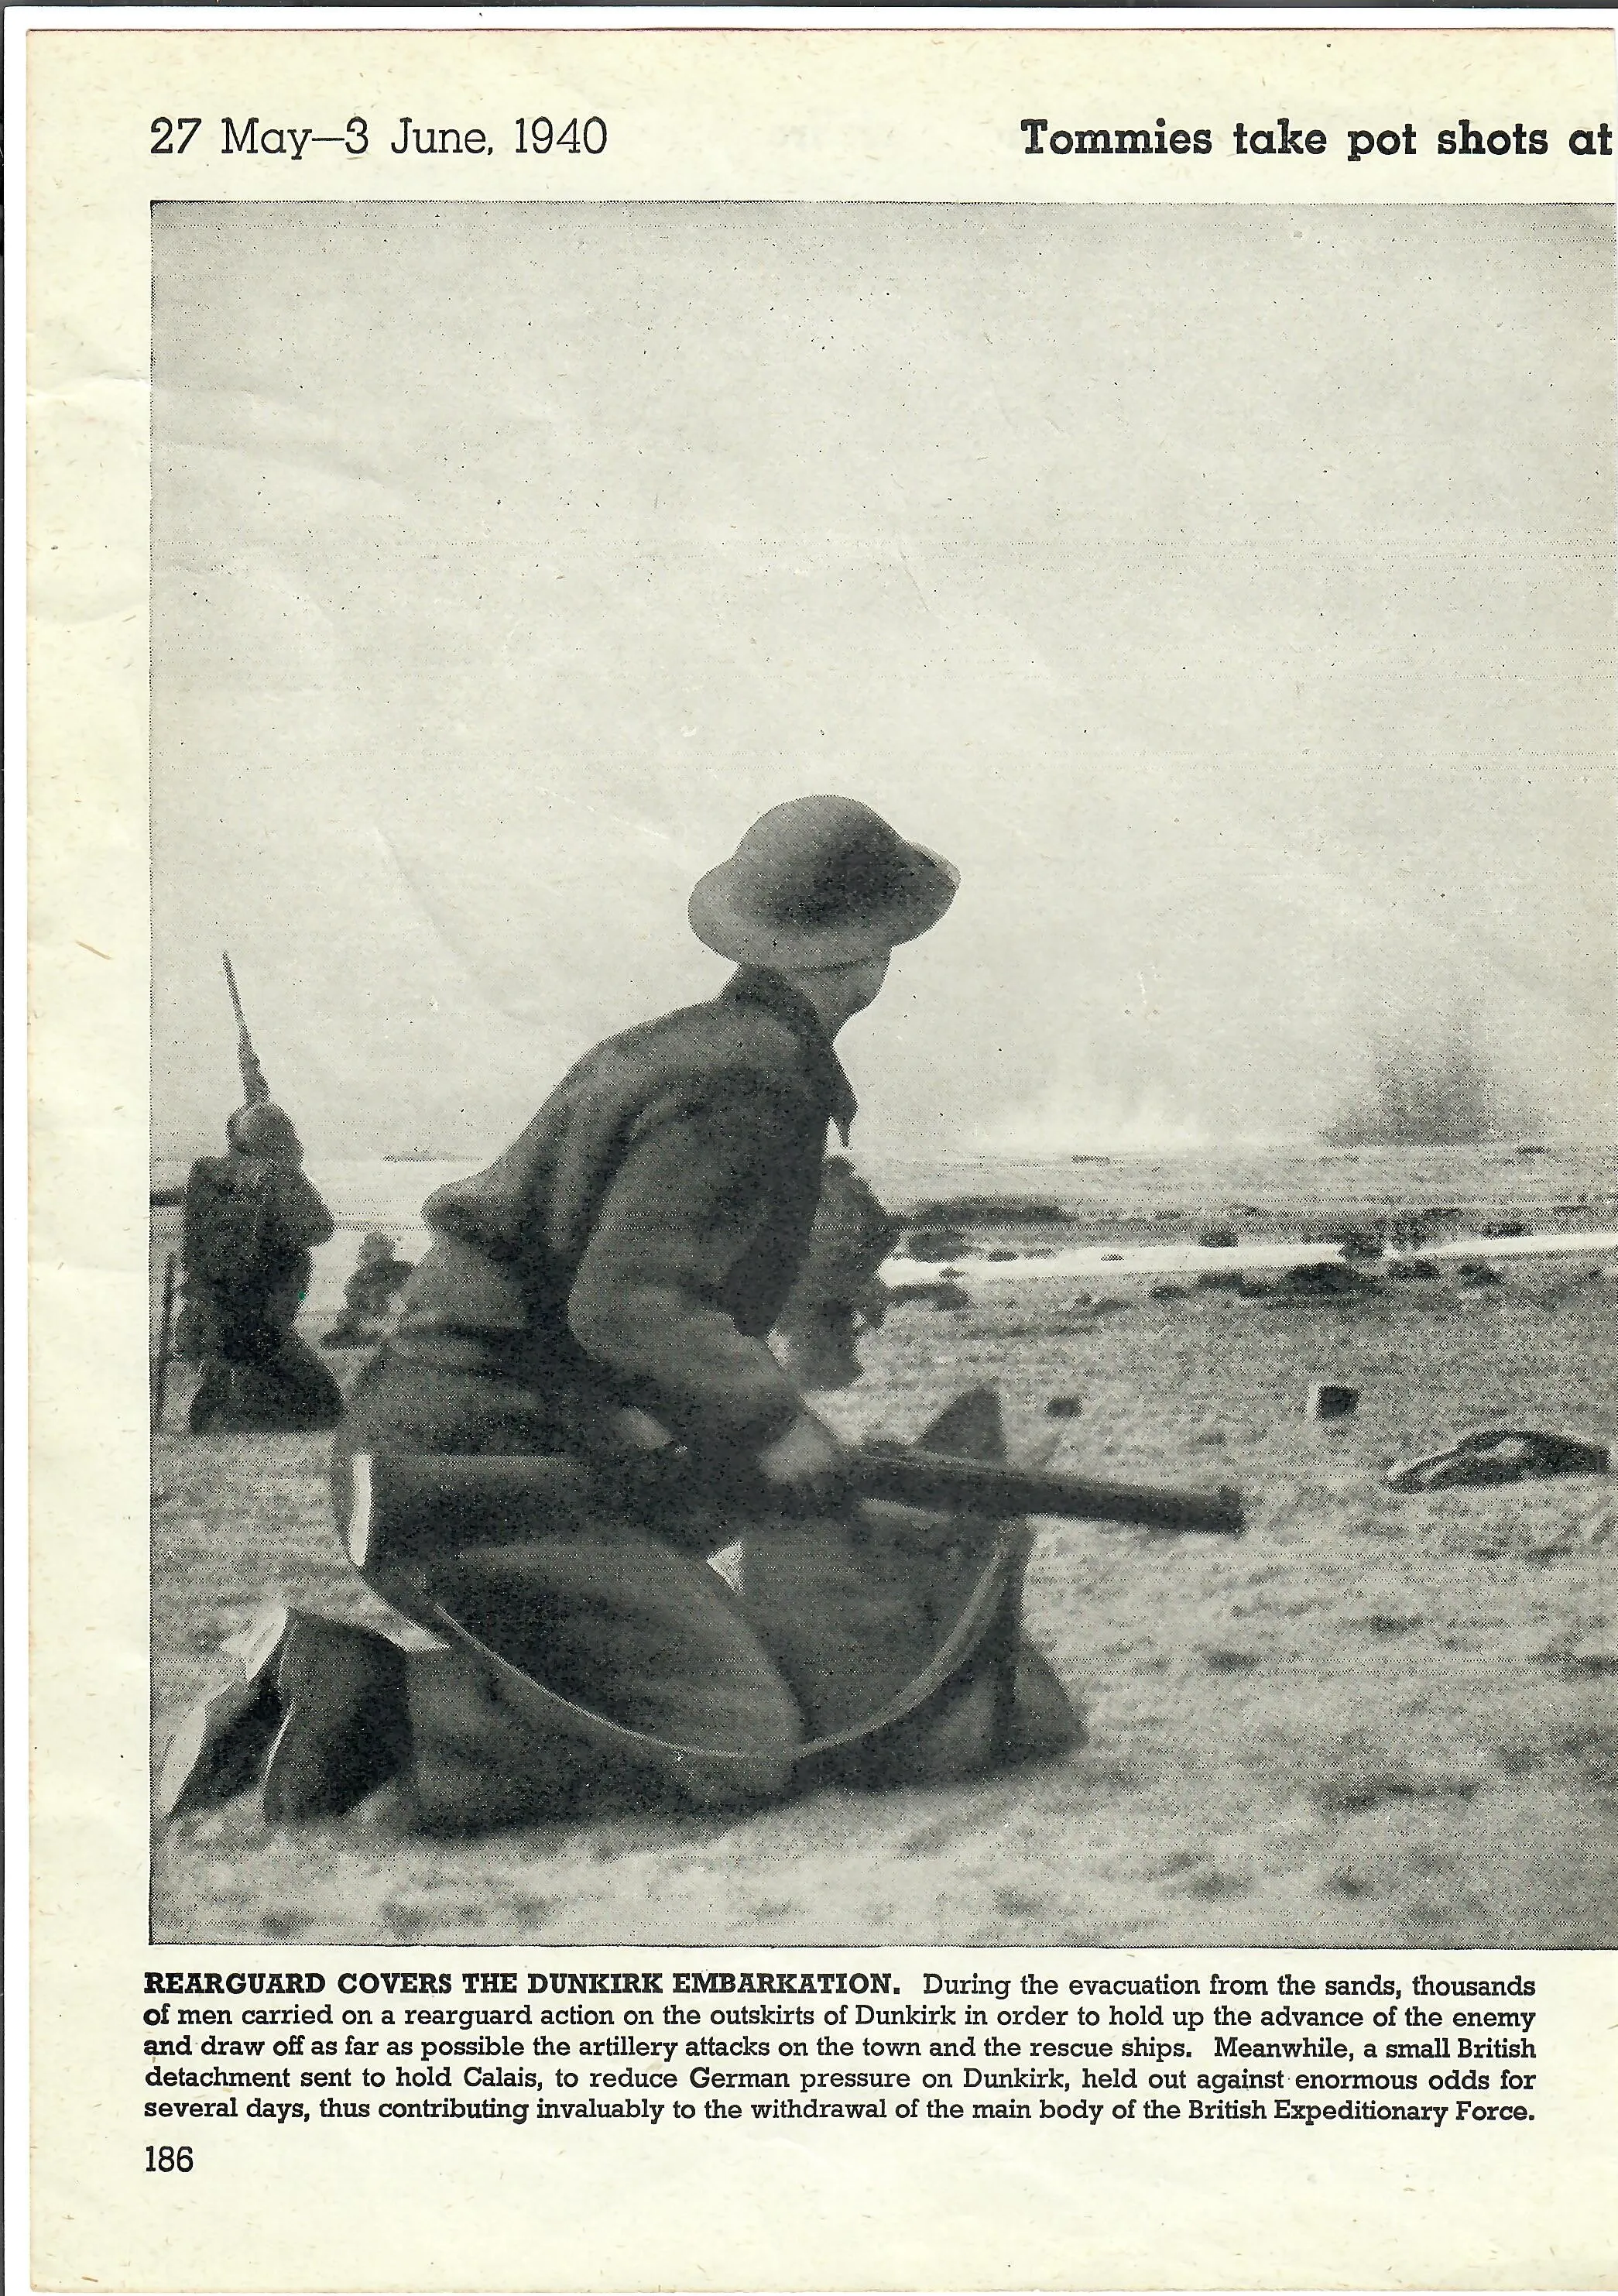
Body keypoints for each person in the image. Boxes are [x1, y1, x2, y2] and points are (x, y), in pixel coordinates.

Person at [160, 797, 1078, 1829]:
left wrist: (748, 1443)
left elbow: (601, 1312)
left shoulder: (698, 1051)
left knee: (712, 1670)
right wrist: (775, 1425)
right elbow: (630, 1304)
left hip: (489, 1436)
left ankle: (358, 1721)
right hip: (480, 1472)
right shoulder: (749, 1081)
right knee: (737, 1739)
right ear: (867, 952)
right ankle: (367, 1697)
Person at [178, 1102, 344, 1434]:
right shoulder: (276, 1180)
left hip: (209, 1321)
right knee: (324, 1405)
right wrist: (290, 1175)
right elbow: (320, 1227)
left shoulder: (206, 1176)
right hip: (262, 1327)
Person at [771, 1155, 899, 1391]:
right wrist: (862, 1266)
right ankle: (827, 1374)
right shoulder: (854, 1194)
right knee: (828, 1328)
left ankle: (814, 1376)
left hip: (811, 1280)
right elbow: (886, 1232)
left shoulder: (802, 1193)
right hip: (835, 1278)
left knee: (811, 1329)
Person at [322, 1232, 415, 1350]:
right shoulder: (360, 1277)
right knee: (345, 1317)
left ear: (388, 1251)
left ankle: (374, 1334)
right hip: (371, 1317)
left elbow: (413, 1292)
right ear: (366, 1255)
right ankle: (371, 1334)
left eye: (381, 1250)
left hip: (397, 1314)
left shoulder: (403, 1268)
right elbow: (354, 1302)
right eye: (373, 1252)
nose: (379, 1255)